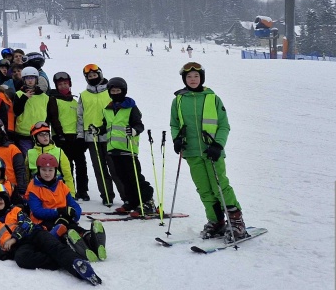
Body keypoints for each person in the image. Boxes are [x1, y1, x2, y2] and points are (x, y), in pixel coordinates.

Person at [170, 62, 247, 239]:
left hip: (212, 152)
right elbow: (174, 124)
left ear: (201, 78)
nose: (193, 79)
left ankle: (236, 222)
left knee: (220, 186)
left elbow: (224, 125)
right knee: (204, 189)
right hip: (191, 152)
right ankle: (216, 221)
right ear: (184, 79)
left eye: (196, 76)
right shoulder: (178, 100)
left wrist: (218, 145)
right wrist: (177, 139)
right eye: (189, 77)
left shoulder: (213, 98)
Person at [0, 182, 101, 285]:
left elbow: (27, 224)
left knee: (54, 247)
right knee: (22, 259)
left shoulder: (16, 210)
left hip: (35, 234)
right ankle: (64, 262)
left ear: (5, 201)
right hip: (21, 246)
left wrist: (14, 238)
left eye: (0, 203)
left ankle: (80, 268)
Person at [26, 153, 107, 263]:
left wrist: (75, 214)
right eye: (44, 170)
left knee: (73, 226)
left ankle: (92, 241)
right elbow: (37, 212)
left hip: (62, 217)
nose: (47, 173)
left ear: (55, 170)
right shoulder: (33, 187)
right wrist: (58, 211)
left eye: (50, 170)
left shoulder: (61, 185)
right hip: (43, 221)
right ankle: (75, 244)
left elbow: (74, 204)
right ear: (39, 170)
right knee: (61, 228)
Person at [101, 77, 155, 215]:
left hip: (128, 148)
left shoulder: (131, 107)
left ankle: (147, 201)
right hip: (113, 149)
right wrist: (97, 130)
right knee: (122, 177)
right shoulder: (107, 109)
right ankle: (132, 201)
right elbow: (105, 126)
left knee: (134, 176)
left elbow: (139, 124)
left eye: (118, 90)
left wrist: (135, 130)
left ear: (123, 91)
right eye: (112, 91)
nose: (115, 93)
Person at [76, 63, 119, 206]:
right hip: (91, 136)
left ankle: (126, 196)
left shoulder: (110, 91)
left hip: (109, 135)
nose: (93, 78)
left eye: (95, 75)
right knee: (99, 167)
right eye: (90, 76)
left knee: (115, 167)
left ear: (100, 75)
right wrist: (80, 136)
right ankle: (107, 195)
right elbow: (80, 117)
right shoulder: (84, 95)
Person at [47, 71, 90, 201]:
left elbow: (80, 119)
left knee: (81, 165)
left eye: (65, 83)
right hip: (62, 137)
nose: (63, 86)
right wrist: (59, 135)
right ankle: (69, 190)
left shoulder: (75, 101)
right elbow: (54, 118)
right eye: (60, 84)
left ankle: (83, 191)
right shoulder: (54, 99)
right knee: (67, 166)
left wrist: (82, 137)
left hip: (76, 137)